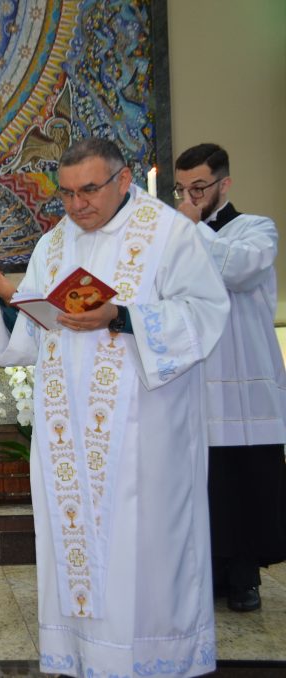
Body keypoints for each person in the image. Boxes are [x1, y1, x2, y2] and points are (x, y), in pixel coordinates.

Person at [0, 138, 230, 677]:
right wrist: (8, 299)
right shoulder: (53, 244)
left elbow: (205, 313)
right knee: (76, 545)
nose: (76, 205)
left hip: (146, 436)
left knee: (145, 550)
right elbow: (37, 327)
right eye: (65, 194)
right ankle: (85, 658)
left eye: (88, 190)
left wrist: (123, 316)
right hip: (69, 432)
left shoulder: (170, 234)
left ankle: (158, 659)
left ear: (122, 179)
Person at [174, 143, 286, 612]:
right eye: (181, 189)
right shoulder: (180, 236)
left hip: (246, 379)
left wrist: (190, 229)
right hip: (195, 377)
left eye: (199, 187)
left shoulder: (256, 229)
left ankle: (244, 577)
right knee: (204, 482)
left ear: (225, 183)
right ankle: (206, 575)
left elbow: (237, 271)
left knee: (247, 481)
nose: (190, 197)